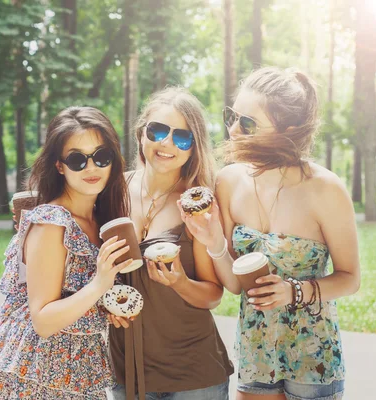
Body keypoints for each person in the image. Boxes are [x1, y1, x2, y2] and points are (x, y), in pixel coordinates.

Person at [181, 67, 360, 400]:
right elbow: (236, 285)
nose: (233, 130)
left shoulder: (326, 189)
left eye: (247, 123)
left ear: (287, 130)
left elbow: (350, 279)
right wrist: (215, 244)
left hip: (314, 359)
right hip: (255, 355)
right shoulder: (228, 181)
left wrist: (294, 291)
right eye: (231, 116)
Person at [0, 106, 132, 399]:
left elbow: (76, 300)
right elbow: (44, 320)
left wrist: (107, 305)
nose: (92, 168)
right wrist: (99, 285)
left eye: (101, 156)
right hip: (32, 373)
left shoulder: (100, 221)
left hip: (75, 370)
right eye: (77, 159)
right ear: (59, 166)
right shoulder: (52, 222)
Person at [108, 87, 234, 400]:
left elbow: (213, 295)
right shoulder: (109, 195)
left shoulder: (195, 207)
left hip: (194, 374)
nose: (167, 144)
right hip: (128, 371)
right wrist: (104, 302)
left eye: (182, 137)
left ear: (193, 148)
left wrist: (179, 282)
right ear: (141, 135)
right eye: (158, 131)